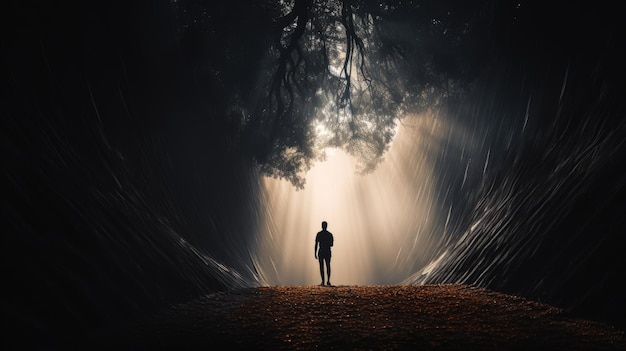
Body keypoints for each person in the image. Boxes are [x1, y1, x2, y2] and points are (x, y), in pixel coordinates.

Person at [314, 221, 334, 286]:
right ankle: (328, 281)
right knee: (327, 266)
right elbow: (331, 244)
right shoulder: (329, 234)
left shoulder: (319, 234)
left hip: (321, 251)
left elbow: (316, 244)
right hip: (327, 251)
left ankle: (323, 281)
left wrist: (315, 252)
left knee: (322, 266)